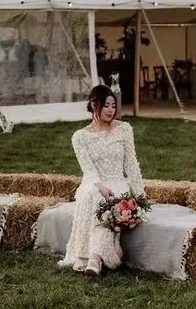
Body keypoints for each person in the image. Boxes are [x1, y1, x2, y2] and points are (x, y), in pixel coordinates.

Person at [60, 84, 146, 277]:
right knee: (94, 195)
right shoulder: (80, 137)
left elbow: (131, 164)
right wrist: (99, 186)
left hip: (118, 181)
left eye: (113, 106)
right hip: (94, 182)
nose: (110, 109)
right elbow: (88, 170)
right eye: (106, 105)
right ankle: (91, 257)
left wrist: (140, 196)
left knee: (113, 199)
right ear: (94, 104)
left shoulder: (124, 129)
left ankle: (94, 259)